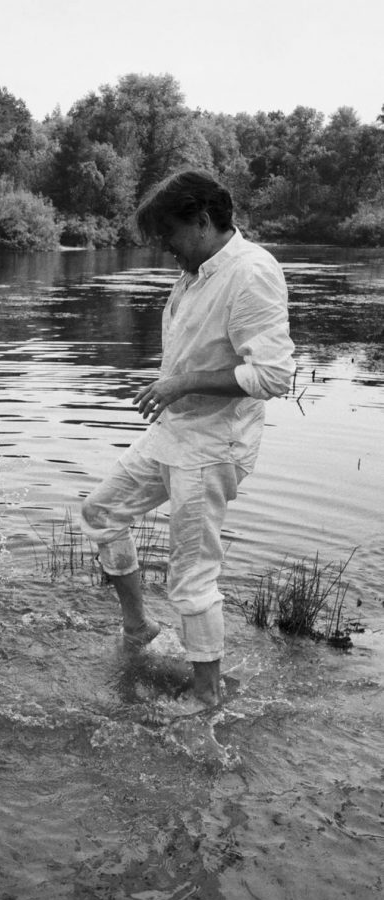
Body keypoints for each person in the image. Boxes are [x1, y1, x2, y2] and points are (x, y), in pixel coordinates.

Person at [81, 169, 295, 708]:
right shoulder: (197, 271)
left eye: (170, 236)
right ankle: (139, 629)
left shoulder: (252, 273)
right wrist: (170, 382)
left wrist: (182, 383)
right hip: (175, 433)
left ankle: (206, 697)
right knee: (102, 512)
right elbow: (197, 349)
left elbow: (273, 377)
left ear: (202, 221)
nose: (165, 250)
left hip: (213, 447)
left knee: (191, 577)